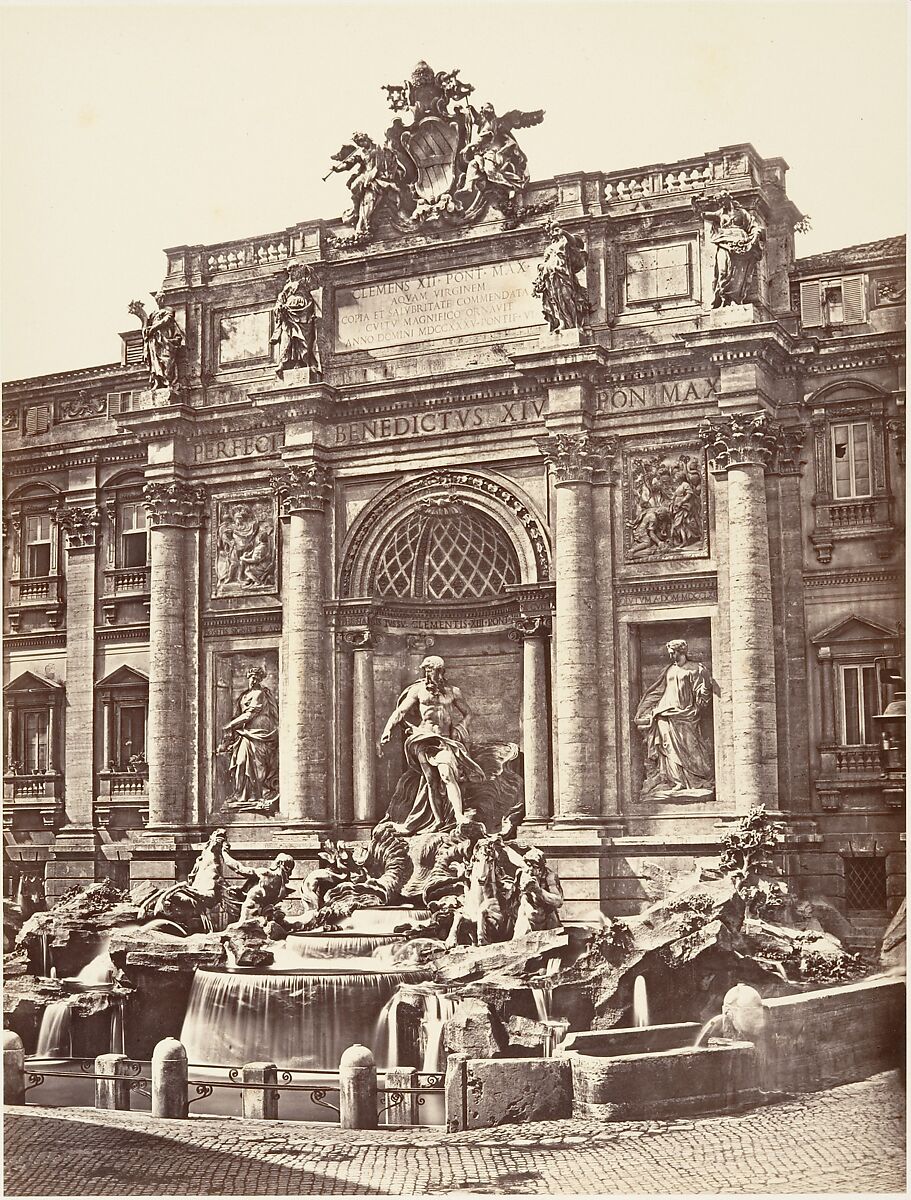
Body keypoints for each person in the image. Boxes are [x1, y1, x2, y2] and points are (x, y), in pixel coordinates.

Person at [379, 655, 485, 833]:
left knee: (446, 774)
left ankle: (458, 815)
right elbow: (401, 711)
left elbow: (468, 713)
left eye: (432, 669)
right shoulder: (418, 690)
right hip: (423, 739)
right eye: (426, 669)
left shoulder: (453, 691)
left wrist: (460, 728)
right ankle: (437, 820)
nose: (428, 673)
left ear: (441, 670)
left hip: (444, 740)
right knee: (431, 783)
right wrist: (387, 729)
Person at [634, 639, 714, 800]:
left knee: (690, 746)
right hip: (664, 712)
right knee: (667, 747)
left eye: (673, 652)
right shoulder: (669, 670)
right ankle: (675, 781)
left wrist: (698, 704)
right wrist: (644, 709)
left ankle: (694, 780)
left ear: (682, 651)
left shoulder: (696, 669)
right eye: (670, 652)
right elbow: (658, 691)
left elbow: (702, 691)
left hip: (686, 714)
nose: (671, 655)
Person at [217, 667, 279, 809]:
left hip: (259, 733)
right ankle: (241, 795)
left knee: (257, 766)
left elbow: (250, 714)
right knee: (241, 762)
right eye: (252, 677)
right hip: (245, 733)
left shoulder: (259, 694)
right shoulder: (244, 695)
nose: (254, 680)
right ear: (248, 678)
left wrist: (230, 726)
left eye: (257, 678)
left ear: (261, 679)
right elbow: (239, 714)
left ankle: (258, 796)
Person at [693, 192, 764, 308]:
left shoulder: (742, 212)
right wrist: (696, 206)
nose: (721, 204)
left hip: (740, 244)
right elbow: (704, 215)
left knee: (737, 273)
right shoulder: (720, 213)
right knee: (722, 271)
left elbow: (753, 226)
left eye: (722, 201)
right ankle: (722, 297)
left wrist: (755, 236)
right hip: (724, 242)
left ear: (728, 199)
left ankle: (732, 300)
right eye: (719, 202)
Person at [532, 223, 592, 332]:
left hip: (564, 275)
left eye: (556, 229)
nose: (554, 232)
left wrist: (563, 233)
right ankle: (563, 323)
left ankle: (573, 323)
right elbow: (544, 262)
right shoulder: (549, 249)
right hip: (551, 277)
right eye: (552, 230)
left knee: (567, 298)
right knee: (555, 301)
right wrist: (542, 267)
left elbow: (574, 242)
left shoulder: (565, 243)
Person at [270, 269, 321, 379]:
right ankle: (283, 362)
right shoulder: (286, 288)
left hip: (303, 314)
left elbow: (315, 287)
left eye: (294, 270)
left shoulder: (305, 283)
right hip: (288, 316)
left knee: (304, 339)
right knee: (286, 339)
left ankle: (306, 361)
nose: (291, 272)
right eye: (289, 270)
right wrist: (279, 308)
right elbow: (279, 302)